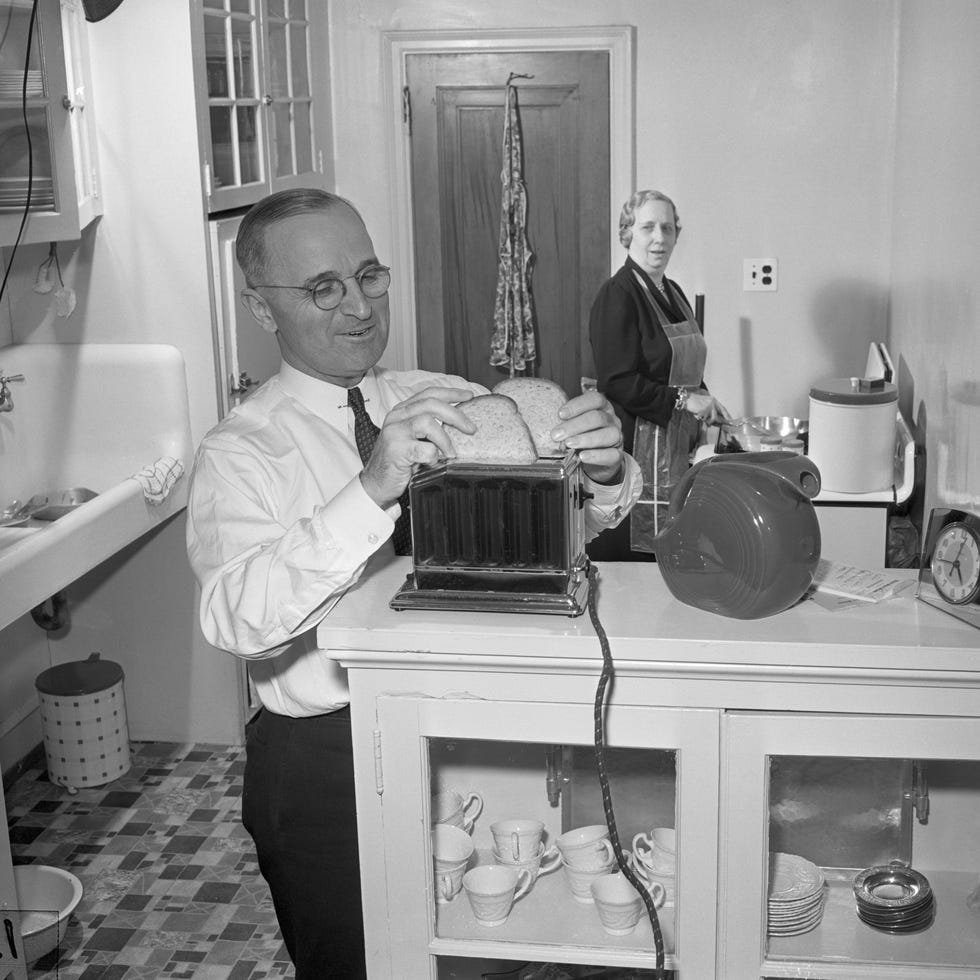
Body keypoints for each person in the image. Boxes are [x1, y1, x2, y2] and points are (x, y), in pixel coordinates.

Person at [185, 188, 641, 979]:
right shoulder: (241, 452)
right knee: (356, 965)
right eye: (324, 287)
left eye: (368, 275)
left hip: (462, 735)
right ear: (263, 311)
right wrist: (369, 489)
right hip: (325, 761)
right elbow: (234, 619)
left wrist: (601, 472)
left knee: (482, 951)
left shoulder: (444, 397)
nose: (358, 306)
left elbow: (560, 525)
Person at [587, 189, 729, 561]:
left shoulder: (674, 291)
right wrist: (684, 401)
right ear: (627, 232)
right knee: (641, 556)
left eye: (667, 228)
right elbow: (616, 381)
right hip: (637, 448)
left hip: (675, 442)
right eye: (648, 226)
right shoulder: (617, 294)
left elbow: (683, 366)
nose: (659, 238)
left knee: (674, 546)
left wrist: (708, 399)